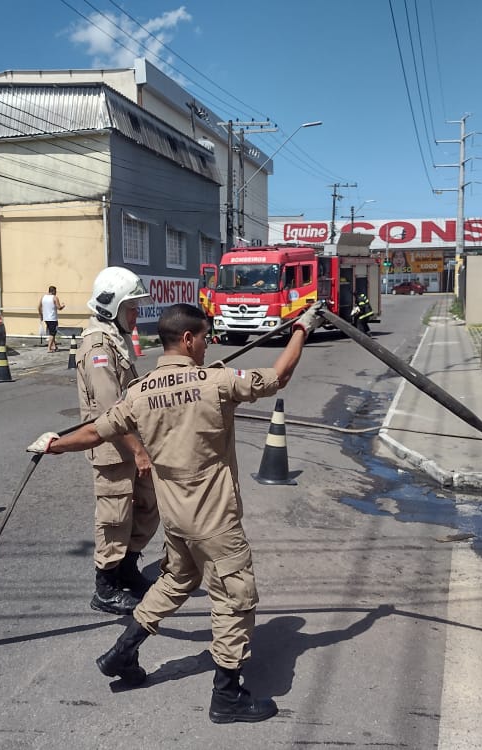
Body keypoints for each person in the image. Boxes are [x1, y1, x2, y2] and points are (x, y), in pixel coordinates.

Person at [26, 301, 325, 724]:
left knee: (175, 582)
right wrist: (302, 329)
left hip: (178, 524)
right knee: (234, 600)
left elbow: (94, 431)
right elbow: (279, 376)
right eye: (204, 337)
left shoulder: (139, 392)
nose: (208, 344)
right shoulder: (217, 382)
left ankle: (121, 653)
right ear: (187, 339)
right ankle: (227, 697)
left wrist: (52, 445)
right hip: (215, 524)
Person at [77, 267, 160, 615]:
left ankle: (128, 568)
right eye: (131, 307)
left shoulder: (115, 338)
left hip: (132, 442)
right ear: (112, 306)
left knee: (145, 507)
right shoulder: (97, 346)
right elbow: (112, 411)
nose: (136, 314)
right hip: (113, 448)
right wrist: (139, 451)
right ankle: (106, 586)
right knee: (114, 516)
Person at [38, 285, 65, 352]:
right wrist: (63, 306)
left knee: (51, 332)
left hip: (46, 318)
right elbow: (59, 308)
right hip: (52, 318)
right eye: (55, 291)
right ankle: (49, 348)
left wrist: (41, 315)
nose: (56, 292)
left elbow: (39, 307)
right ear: (53, 291)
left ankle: (54, 346)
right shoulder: (55, 298)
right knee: (52, 334)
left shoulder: (43, 297)